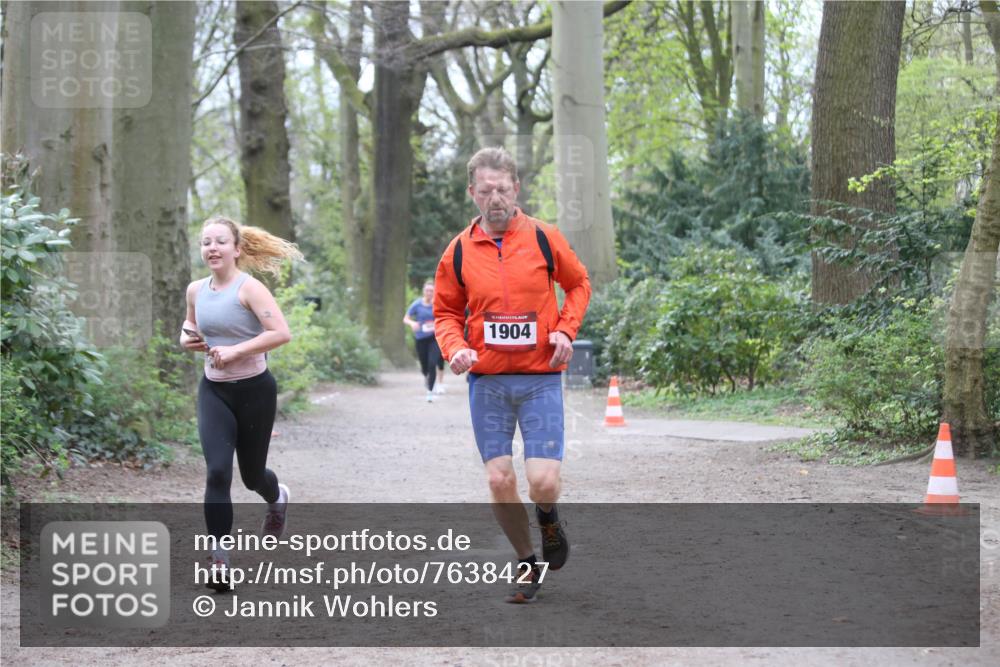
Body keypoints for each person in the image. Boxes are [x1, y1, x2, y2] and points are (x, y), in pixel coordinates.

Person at [433, 147, 591, 603]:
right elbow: (445, 311)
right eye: (485, 190)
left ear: (516, 188)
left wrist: (565, 329)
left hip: (540, 377)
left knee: (541, 481)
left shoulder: (544, 238)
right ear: (472, 193)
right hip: (489, 382)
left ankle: (548, 517)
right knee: (499, 479)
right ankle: (526, 561)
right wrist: (455, 346)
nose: (495, 198)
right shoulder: (459, 250)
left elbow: (579, 284)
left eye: (503, 188)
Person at [180, 215, 302, 590]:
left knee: (252, 477)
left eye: (219, 241)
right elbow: (189, 328)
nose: (212, 248)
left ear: (236, 248)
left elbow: (281, 333)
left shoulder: (251, 289)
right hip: (214, 390)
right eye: (206, 242)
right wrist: (188, 340)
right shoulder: (196, 290)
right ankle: (219, 559)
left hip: (254, 391)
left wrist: (236, 352)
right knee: (217, 472)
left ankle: (277, 496)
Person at [403, 280, 443, 402]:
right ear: (423, 291)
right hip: (421, 339)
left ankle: (430, 391)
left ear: (434, 292)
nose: (429, 293)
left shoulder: (438, 304)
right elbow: (406, 318)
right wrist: (412, 323)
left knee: (432, 363)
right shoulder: (417, 304)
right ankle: (426, 376)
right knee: (424, 365)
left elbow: (444, 317)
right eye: (427, 290)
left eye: (432, 291)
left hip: (434, 338)